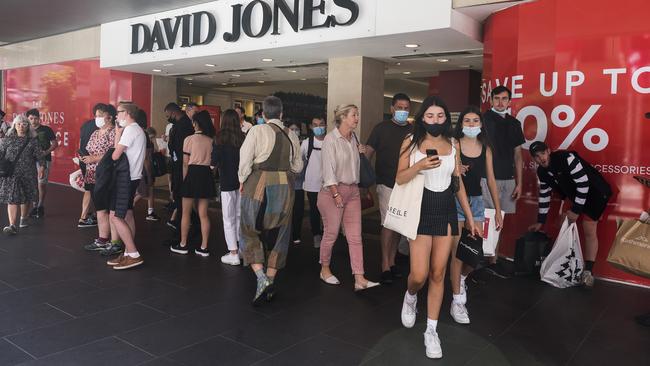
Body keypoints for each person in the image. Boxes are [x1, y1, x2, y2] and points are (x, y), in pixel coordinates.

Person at [396, 96, 479, 359]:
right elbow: (399, 178)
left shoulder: (453, 144)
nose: (435, 121)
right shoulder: (411, 142)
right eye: (430, 116)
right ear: (422, 118)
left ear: (446, 118)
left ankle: (431, 330)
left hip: (445, 212)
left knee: (438, 273)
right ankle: (410, 296)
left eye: (440, 116)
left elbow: (458, 184)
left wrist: (470, 218)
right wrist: (419, 165)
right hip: (419, 211)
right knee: (419, 275)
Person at [238, 96, 302, 305]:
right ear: (281, 114)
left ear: (263, 114)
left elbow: (245, 160)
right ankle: (271, 279)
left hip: (258, 185)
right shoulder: (291, 134)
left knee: (249, 229)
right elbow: (297, 167)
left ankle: (261, 277)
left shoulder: (256, 130)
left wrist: (241, 180)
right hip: (284, 186)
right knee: (281, 232)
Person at [527, 141, 612, 288]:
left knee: (588, 228)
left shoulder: (566, 158)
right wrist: (540, 221)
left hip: (596, 193)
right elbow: (545, 194)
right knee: (563, 224)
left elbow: (584, 184)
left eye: (542, 153)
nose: (541, 158)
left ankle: (588, 273)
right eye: (536, 156)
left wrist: (576, 211)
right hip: (574, 194)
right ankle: (565, 265)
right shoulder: (542, 171)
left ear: (549, 151)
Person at [449, 106, 503, 324]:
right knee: (457, 254)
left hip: (478, 202)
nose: (471, 124)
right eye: (467, 121)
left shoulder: (485, 148)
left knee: (473, 253)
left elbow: (491, 180)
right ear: (461, 123)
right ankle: (457, 300)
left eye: (475, 121)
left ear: (481, 125)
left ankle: (461, 280)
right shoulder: (455, 144)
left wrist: (498, 209)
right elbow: (455, 180)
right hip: (456, 202)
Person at [318, 104, 380, 291]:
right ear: (343, 117)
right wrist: (336, 194)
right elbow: (328, 170)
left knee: (355, 236)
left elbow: (355, 168)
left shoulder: (353, 138)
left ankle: (359, 278)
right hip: (332, 192)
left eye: (357, 114)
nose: (357, 118)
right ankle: (325, 269)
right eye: (354, 115)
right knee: (332, 233)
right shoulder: (331, 139)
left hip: (352, 191)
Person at [365, 93, 413, 284]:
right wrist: (365, 182)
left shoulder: (413, 130)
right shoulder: (381, 128)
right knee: (387, 225)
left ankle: (392, 262)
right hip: (386, 184)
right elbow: (367, 154)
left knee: (398, 226)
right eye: (399, 107)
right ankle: (385, 265)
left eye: (406, 108)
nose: (403, 111)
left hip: (407, 185)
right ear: (392, 109)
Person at [480, 85, 525, 278]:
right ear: (491, 99)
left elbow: (518, 155)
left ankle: (493, 261)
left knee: (499, 221)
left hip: (508, 179)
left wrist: (519, 183)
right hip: (486, 177)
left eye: (504, 99)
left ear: (509, 101)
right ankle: (477, 261)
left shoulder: (514, 123)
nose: (500, 102)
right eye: (496, 98)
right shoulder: (482, 120)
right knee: (484, 221)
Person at [106, 102, 147, 270]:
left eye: (119, 112)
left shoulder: (130, 130)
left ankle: (133, 253)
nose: (117, 116)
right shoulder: (138, 130)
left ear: (127, 113)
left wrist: (118, 134)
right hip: (133, 177)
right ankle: (129, 253)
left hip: (125, 178)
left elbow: (115, 155)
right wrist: (117, 133)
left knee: (116, 216)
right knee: (128, 213)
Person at [170, 110, 216, 257]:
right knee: (203, 214)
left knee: (185, 213)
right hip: (206, 175)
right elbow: (213, 165)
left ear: (195, 123)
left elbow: (185, 164)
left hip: (192, 174)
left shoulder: (189, 139)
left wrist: (185, 180)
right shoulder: (211, 140)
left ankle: (183, 244)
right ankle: (204, 247)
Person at [81, 105, 119, 253]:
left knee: (110, 208)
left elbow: (113, 153)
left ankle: (114, 241)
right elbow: (89, 148)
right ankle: (102, 239)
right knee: (100, 208)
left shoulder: (113, 133)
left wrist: (94, 158)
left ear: (109, 117)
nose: (96, 119)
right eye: (96, 115)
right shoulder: (95, 132)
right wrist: (85, 158)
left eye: (99, 115)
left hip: (106, 174)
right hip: (92, 174)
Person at [0, 115, 45, 234]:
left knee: (26, 196)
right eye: (19, 124)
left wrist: (42, 168)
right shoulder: (7, 139)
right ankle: (12, 225)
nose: (21, 126)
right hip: (11, 174)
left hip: (28, 173)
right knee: (12, 198)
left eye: (24, 124)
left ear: (28, 126)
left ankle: (23, 218)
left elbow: (40, 156)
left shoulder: (33, 141)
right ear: (14, 125)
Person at [215, 109, 245, 265]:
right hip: (242, 182)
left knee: (228, 218)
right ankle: (240, 250)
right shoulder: (243, 138)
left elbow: (214, 161)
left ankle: (233, 252)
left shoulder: (220, 138)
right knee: (240, 216)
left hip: (226, 182)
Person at [165, 103, 194, 231]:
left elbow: (181, 148)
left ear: (173, 112)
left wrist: (178, 161)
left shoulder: (184, 125)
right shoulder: (180, 124)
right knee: (178, 194)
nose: (167, 118)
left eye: (168, 115)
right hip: (178, 163)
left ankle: (184, 223)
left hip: (182, 165)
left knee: (180, 194)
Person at [77, 103, 107, 228]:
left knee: (89, 189)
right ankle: (97, 216)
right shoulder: (103, 128)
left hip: (84, 159)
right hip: (95, 163)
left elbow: (80, 142)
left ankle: (84, 217)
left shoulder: (85, 125)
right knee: (95, 190)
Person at [26, 108, 58, 218]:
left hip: (44, 160)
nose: (33, 121)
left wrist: (45, 152)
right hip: (29, 160)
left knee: (41, 184)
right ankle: (35, 206)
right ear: (27, 119)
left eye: (35, 118)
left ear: (39, 119)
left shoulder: (46, 129)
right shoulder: (25, 130)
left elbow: (54, 144)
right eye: (31, 118)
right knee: (32, 183)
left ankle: (40, 206)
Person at [301, 116, 326, 248]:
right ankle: (316, 235)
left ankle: (327, 236)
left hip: (328, 184)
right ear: (311, 127)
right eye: (315, 125)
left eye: (321, 124)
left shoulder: (330, 141)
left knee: (327, 212)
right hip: (312, 184)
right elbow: (299, 161)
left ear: (325, 125)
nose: (318, 127)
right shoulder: (307, 143)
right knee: (314, 211)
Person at [132, 110, 159, 222]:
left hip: (134, 167)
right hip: (143, 167)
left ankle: (151, 211)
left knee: (145, 189)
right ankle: (130, 205)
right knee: (145, 190)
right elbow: (146, 157)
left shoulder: (132, 133)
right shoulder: (144, 135)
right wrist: (149, 172)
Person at [288, 122, 305, 244]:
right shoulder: (284, 144)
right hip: (286, 185)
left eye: (296, 129)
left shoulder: (303, 145)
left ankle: (296, 234)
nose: (294, 131)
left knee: (298, 212)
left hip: (299, 185)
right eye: (292, 129)